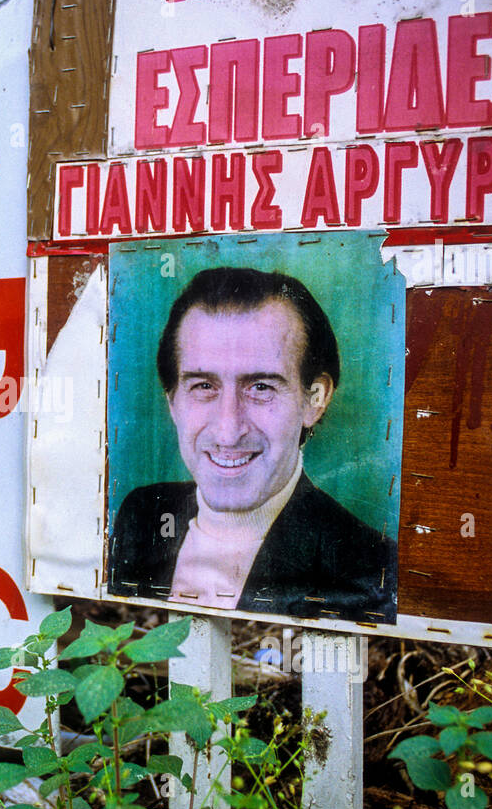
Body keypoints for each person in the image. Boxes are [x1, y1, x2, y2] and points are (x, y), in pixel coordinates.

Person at [108, 267, 397, 624]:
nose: (229, 431)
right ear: (172, 401)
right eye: (203, 386)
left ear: (314, 399)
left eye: (261, 387)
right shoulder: (143, 514)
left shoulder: (370, 566)